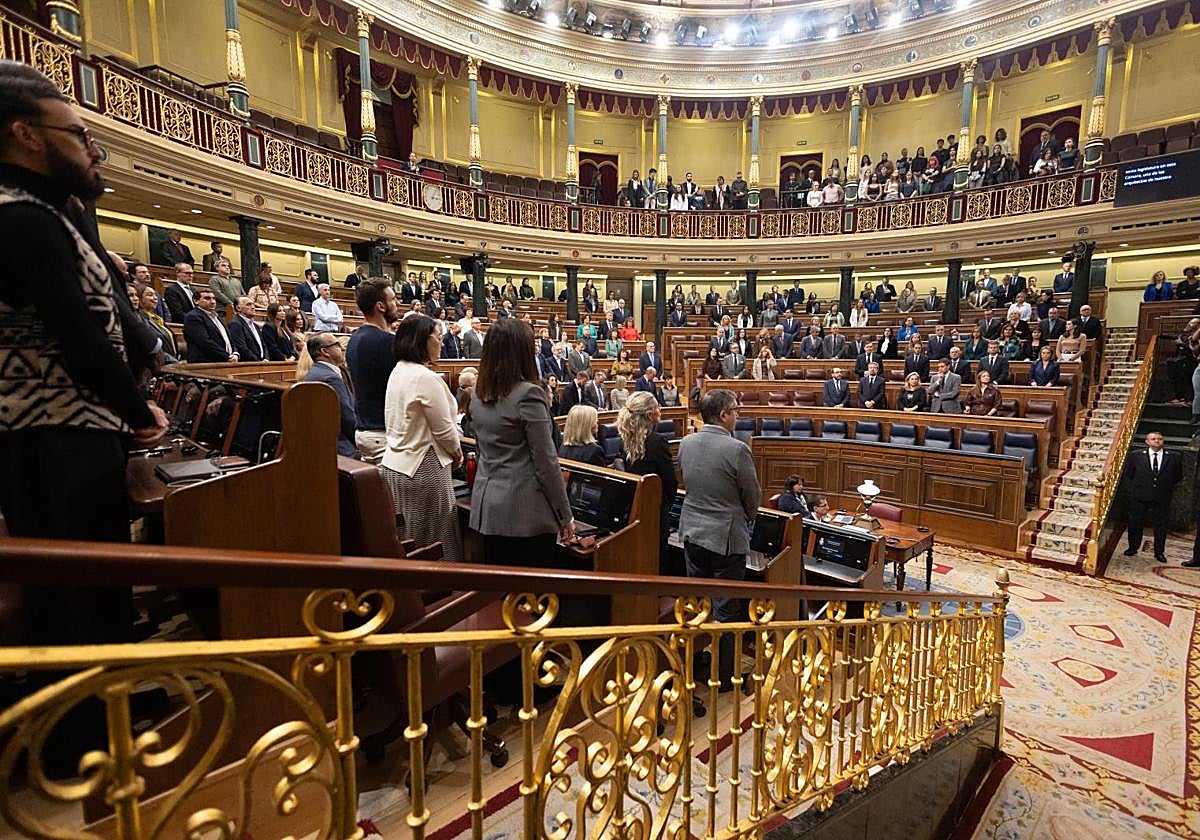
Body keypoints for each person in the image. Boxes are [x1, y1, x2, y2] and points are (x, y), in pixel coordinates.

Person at [471, 318, 575, 567]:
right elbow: (546, 463)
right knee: (532, 599)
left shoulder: (477, 394)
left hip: (487, 509)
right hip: (525, 515)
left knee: (501, 596)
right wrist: (565, 515)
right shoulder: (528, 395)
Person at [677, 389, 760, 689]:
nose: (738, 415)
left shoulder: (686, 442)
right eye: (735, 410)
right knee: (726, 610)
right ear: (723, 414)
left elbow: (686, 479)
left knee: (697, 604)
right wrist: (746, 519)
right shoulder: (737, 449)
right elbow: (752, 497)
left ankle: (695, 665)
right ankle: (724, 678)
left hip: (692, 532)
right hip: (725, 537)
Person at [379, 315, 462, 560]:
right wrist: (456, 454)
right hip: (423, 467)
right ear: (423, 340)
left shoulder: (399, 370)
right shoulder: (425, 377)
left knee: (410, 539)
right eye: (439, 337)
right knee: (437, 541)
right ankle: (443, 593)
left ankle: (416, 595)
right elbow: (444, 430)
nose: (442, 344)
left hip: (396, 464)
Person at [617, 391, 678, 570]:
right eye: (657, 406)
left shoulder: (624, 439)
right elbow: (670, 483)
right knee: (657, 560)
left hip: (634, 509)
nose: (660, 410)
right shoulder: (657, 442)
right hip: (656, 513)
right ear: (650, 414)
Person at [345, 279, 400, 463]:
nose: (397, 303)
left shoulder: (355, 338)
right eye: (393, 299)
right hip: (384, 433)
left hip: (365, 430)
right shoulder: (385, 342)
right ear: (381, 306)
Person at [1122, 431, 1182, 564]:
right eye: (1153, 439)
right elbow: (1130, 474)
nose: (1157, 441)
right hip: (1140, 496)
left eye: (1160, 439)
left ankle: (1159, 552)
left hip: (1162, 497)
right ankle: (1132, 548)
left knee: (1161, 526)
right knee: (1135, 523)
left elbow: (1177, 477)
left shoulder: (1174, 457)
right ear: (1147, 442)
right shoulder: (1136, 456)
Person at [226, 296, 266, 362]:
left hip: (261, 363)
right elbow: (242, 348)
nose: (253, 307)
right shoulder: (235, 324)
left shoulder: (255, 325)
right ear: (238, 308)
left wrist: (266, 358)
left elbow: (263, 344)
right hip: (248, 364)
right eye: (248, 305)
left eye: (253, 304)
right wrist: (258, 362)